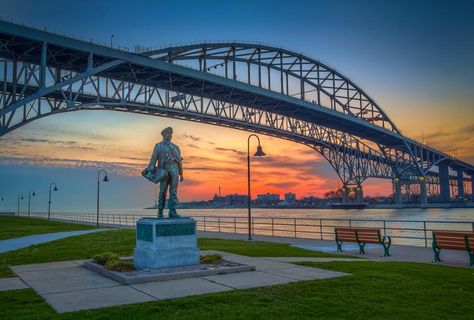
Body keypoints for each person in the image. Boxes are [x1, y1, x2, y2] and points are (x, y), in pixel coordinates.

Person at [147, 127, 184, 218]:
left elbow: (179, 162)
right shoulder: (158, 146)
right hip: (164, 169)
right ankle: (160, 211)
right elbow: (153, 159)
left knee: (173, 191)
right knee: (162, 191)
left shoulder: (176, 147)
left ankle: (172, 211)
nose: (170, 135)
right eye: (168, 133)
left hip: (174, 169)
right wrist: (150, 169)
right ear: (163, 135)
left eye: (171, 134)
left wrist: (181, 173)